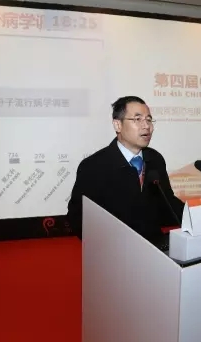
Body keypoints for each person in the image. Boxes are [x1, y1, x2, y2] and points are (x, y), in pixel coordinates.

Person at [66, 96, 184, 240]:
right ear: (118, 125)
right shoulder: (93, 166)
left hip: (154, 246)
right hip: (114, 247)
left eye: (148, 120)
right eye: (137, 119)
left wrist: (195, 216)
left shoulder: (155, 159)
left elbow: (167, 204)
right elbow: (78, 218)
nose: (146, 126)